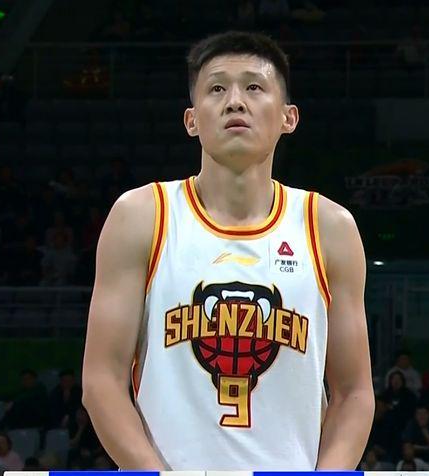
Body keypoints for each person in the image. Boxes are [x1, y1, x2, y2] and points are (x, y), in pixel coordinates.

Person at [82, 31, 375, 470]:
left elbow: (354, 393)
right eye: (217, 88)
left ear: (289, 117)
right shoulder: (142, 216)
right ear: (191, 120)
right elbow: (101, 380)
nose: (235, 102)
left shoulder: (329, 227)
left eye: (254, 87)